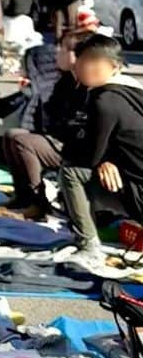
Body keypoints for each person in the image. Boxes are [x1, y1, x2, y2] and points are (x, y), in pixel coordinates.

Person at [60, 34, 143, 265]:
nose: (79, 65)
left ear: (112, 67)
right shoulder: (132, 90)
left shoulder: (105, 100)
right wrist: (105, 160)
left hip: (138, 193)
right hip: (133, 180)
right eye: (81, 59)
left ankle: (89, 246)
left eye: (89, 60)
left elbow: (85, 155)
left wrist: (102, 160)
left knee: (71, 172)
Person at [2, 29, 88, 217]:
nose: (57, 52)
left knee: (24, 142)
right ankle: (22, 196)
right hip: (57, 140)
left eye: (63, 49)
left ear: (76, 56)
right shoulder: (63, 81)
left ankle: (38, 202)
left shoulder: (86, 85)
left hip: (76, 150)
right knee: (12, 135)